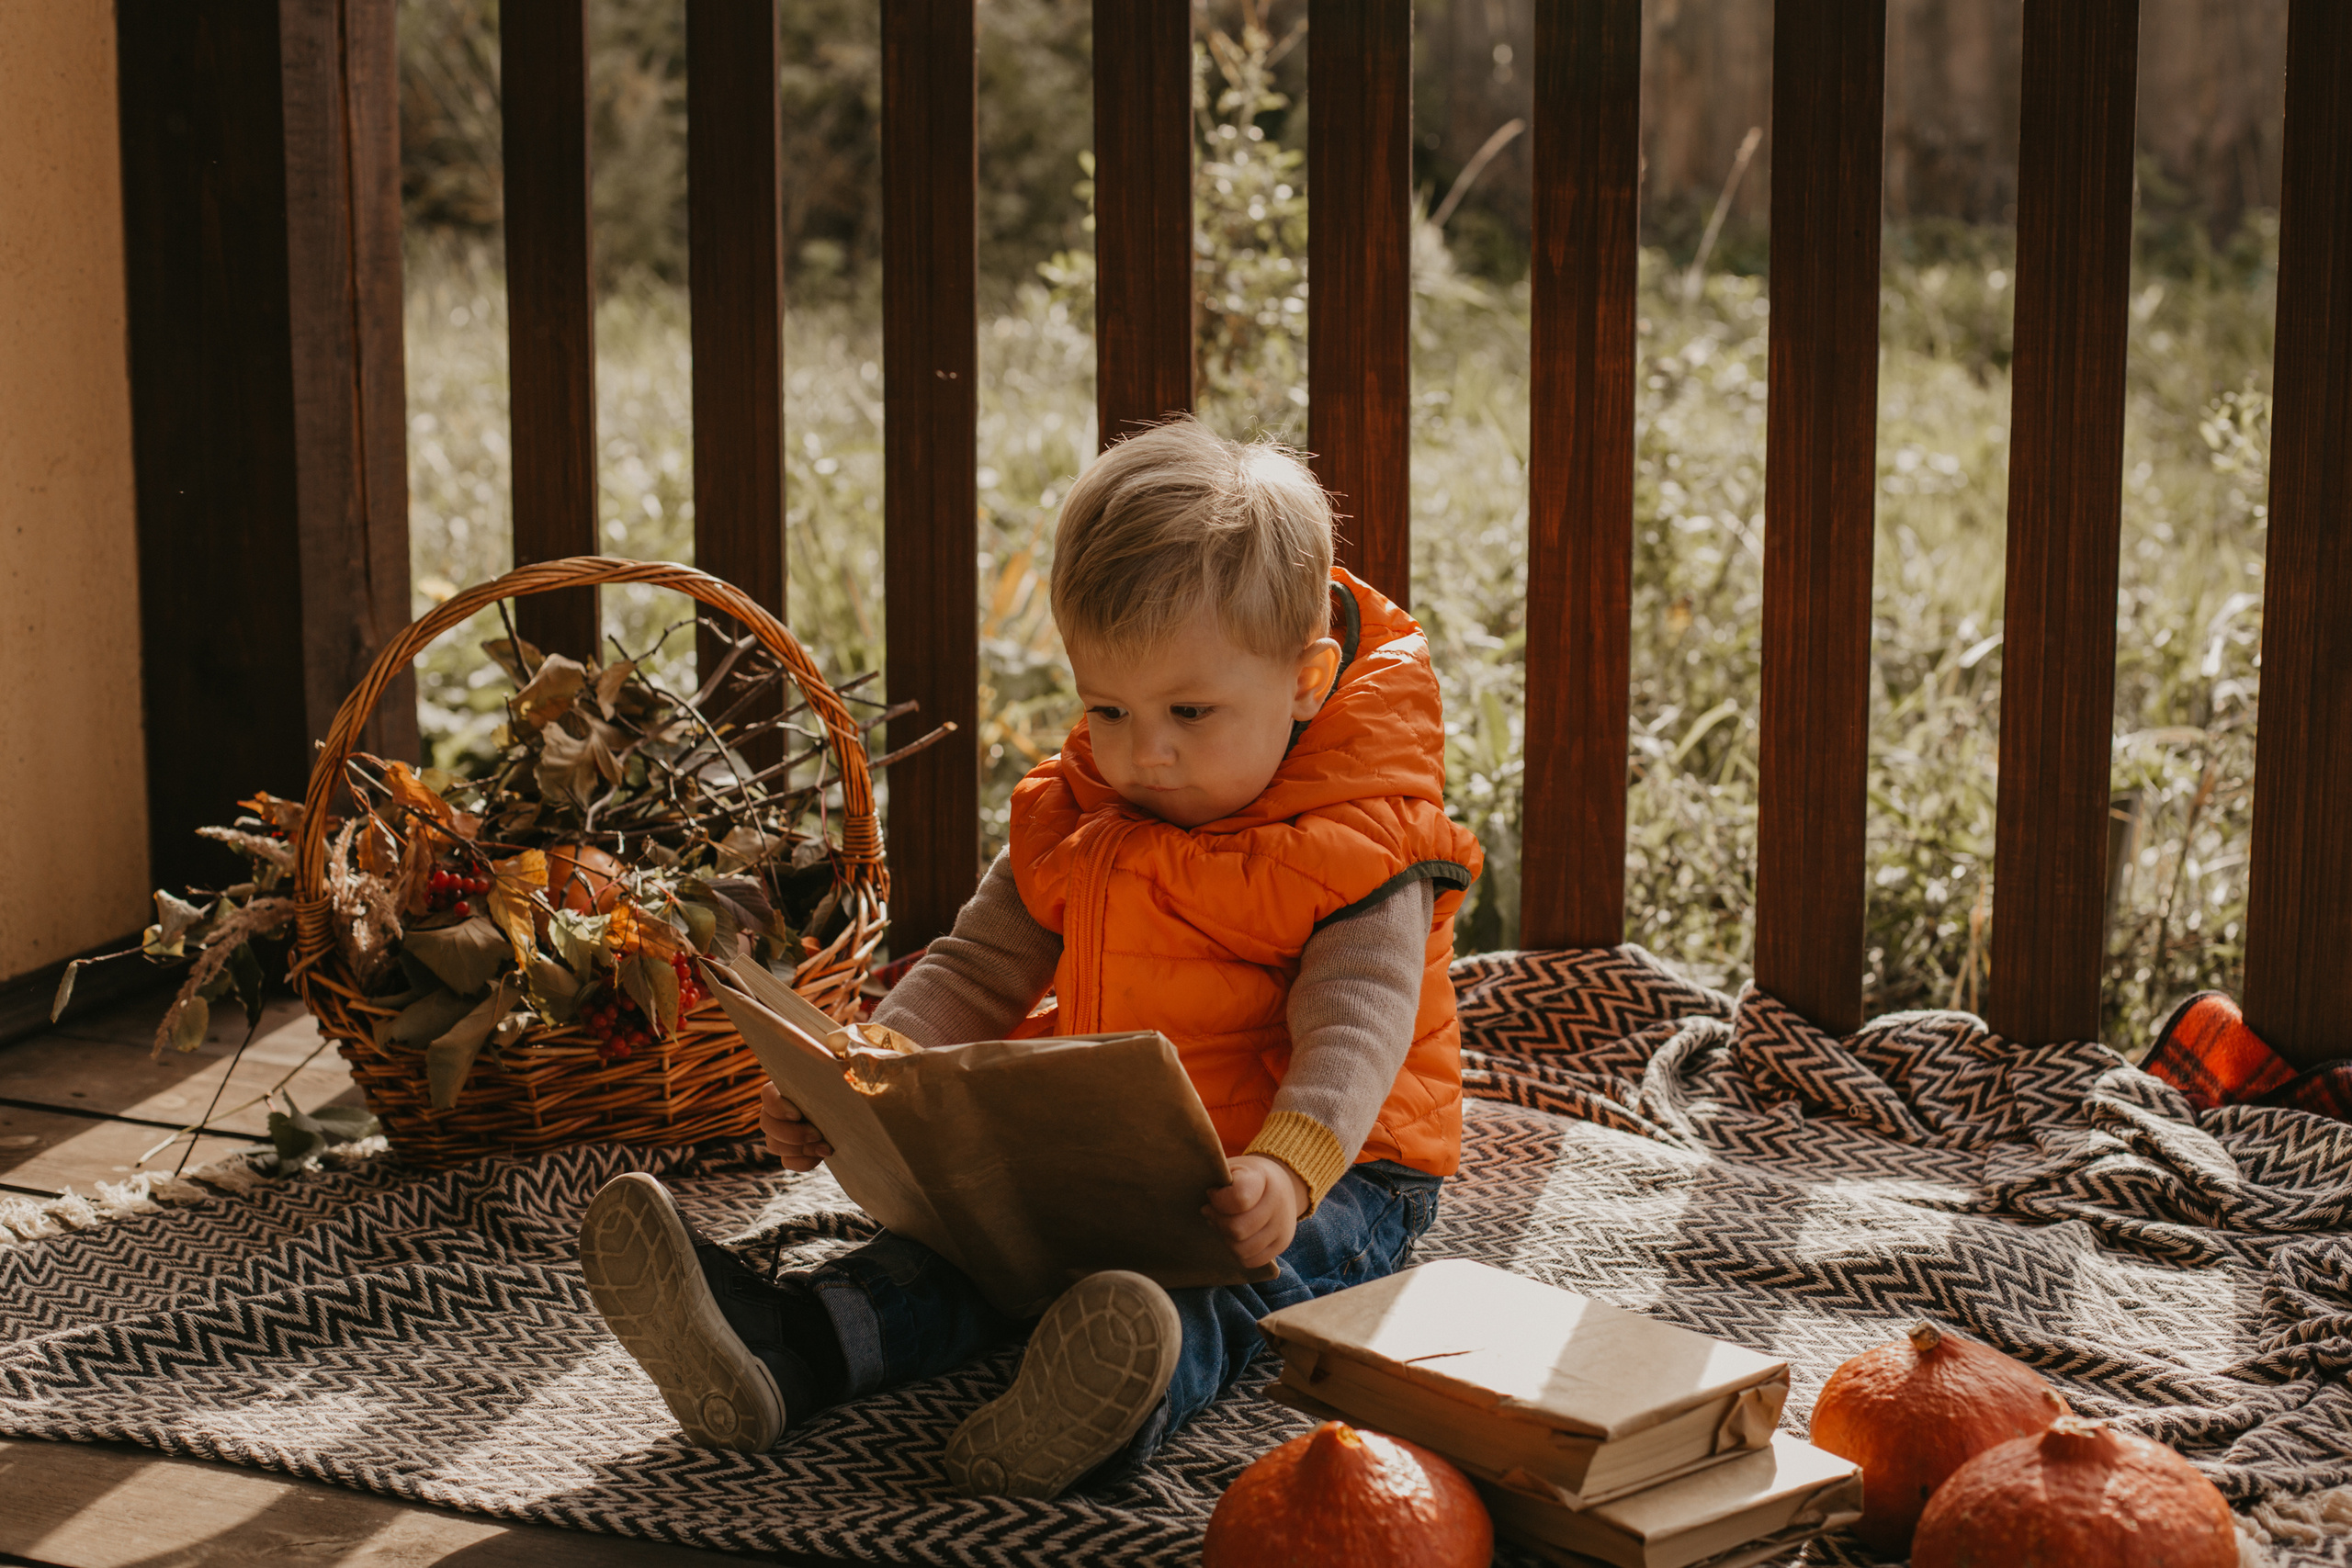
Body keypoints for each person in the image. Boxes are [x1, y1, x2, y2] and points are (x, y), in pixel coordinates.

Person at [578, 417, 1482, 1497]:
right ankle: (784, 1345)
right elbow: (974, 968)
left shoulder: (1363, 840)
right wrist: (861, 1079)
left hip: (1331, 1160)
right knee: (968, 1240)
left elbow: (1358, 1023)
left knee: (1233, 1281)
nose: (1145, 750)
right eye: (1108, 707)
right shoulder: (1080, 811)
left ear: (1305, 678)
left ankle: (1117, 1395)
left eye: (1189, 711)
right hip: (1122, 1145)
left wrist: (1287, 1169)